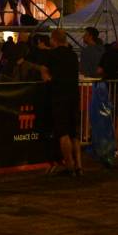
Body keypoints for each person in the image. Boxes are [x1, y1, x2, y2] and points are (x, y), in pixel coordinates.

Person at [40, 28, 82, 176]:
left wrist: (49, 79)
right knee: (74, 133)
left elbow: (44, 72)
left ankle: (69, 165)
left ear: (54, 40)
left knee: (63, 132)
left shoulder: (51, 55)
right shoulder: (73, 55)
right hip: (74, 95)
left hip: (59, 96)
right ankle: (79, 165)